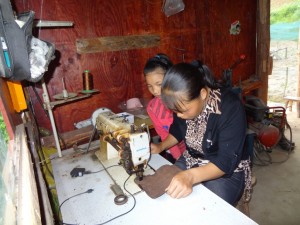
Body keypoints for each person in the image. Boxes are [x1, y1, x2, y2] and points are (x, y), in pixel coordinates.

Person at [150, 61, 251, 206]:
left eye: (183, 111)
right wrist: (160, 146)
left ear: (203, 93)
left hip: (226, 171)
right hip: (192, 159)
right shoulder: (183, 103)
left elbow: (225, 162)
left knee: (206, 206)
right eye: (175, 111)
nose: (178, 116)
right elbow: (177, 130)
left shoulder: (230, 108)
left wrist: (190, 176)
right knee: (165, 193)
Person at [144, 54, 185, 162]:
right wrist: (178, 159)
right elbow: (163, 134)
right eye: (150, 86)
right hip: (171, 151)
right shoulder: (152, 108)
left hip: (192, 150)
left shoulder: (184, 100)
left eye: (159, 84)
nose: (155, 91)